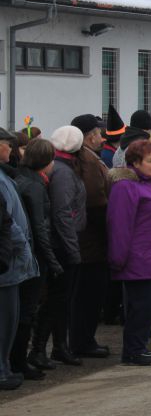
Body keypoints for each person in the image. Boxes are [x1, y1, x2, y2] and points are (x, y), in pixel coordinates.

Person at [106, 139, 151, 366]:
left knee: (149, 308)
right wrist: (118, 259)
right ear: (135, 162)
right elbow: (119, 225)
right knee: (141, 308)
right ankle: (133, 350)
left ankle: (138, 347)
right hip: (139, 260)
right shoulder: (125, 187)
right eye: (150, 161)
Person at [32, 126, 87, 368]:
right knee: (58, 299)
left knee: (61, 300)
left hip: (63, 242)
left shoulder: (63, 167)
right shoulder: (64, 173)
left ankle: (57, 346)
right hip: (63, 244)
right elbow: (62, 212)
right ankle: (45, 349)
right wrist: (72, 248)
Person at [11, 138, 61, 381]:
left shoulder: (20, 178)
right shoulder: (36, 186)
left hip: (27, 254)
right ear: (47, 161)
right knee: (26, 312)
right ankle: (20, 362)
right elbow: (40, 228)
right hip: (33, 257)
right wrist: (52, 261)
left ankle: (16, 360)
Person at [69, 114, 112, 359]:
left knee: (85, 294)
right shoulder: (88, 161)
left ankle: (82, 339)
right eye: (97, 133)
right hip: (92, 240)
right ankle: (83, 341)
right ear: (89, 136)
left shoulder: (86, 158)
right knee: (88, 295)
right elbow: (96, 199)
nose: (101, 137)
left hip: (87, 240)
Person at [0, 128, 39, 390]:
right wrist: (23, 251)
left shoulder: (5, 174)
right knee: (5, 320)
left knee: (10, 319)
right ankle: (2, 371)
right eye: (5, 144)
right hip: (7, 263)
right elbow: (7, 223)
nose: (10, 149)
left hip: (11, 261)